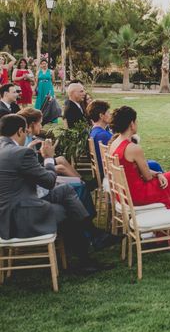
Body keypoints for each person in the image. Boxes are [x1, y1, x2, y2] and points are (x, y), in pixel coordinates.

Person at [0, 114, 111, 273]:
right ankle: (84, 258)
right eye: (25, 132)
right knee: (66, 210)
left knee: (66, 190)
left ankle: (93, 236)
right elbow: (49, 181)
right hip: (18, 217)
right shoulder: (20, 153)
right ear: (19, 131)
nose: (25, 135)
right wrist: (49, 158)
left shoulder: (9, 149)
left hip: (10, 208)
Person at [107, 106, 170, 226]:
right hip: (136, 195)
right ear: (131, 124)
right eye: (136, 121)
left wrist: (158, 173)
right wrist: (158, 175)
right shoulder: (133, 148)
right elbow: (147, 177)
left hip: (123, 194)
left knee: (168, 177)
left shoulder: (114, 143)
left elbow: (134, 170)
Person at [87, 100, 163, 187]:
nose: (110, 114)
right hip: (121, 175)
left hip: (117, 170)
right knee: (155, 165)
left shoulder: (96, 132)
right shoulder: (103, 135)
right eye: (108, 112)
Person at [18, 107, 80, 178]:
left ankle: (81, 179)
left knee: (61, 159)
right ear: (33, 124)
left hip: (33, 165)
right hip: (30, 170)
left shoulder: (30, 136)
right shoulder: (24, 138)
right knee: (61, 168)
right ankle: (81, 183)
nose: (41, 126)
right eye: (40, 123)